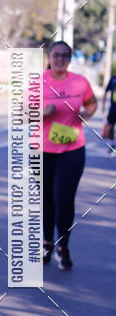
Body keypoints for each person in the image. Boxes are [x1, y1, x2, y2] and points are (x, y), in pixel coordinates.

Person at [42, 41, 97, 270]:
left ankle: (64, 244)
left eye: (65, 55)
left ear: (70, 58)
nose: (60, 59)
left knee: (63, 199)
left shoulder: (80, 82)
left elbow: (92, 104)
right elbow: (21, 113)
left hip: (72, 150)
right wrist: (40, 112)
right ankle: (47, 242)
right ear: (50, 56)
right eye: (56, 55)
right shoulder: (38, 82)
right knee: (46, 199)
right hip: (42, 150)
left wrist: (86, 114)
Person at [102, 72, 116, 150]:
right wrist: (103, 105)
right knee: (110, 127)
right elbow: (106, 92)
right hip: (113, 109)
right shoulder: (113, 79)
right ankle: (112, 142)